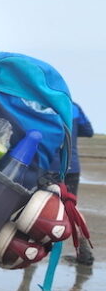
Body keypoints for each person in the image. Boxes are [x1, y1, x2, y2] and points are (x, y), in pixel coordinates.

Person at [64, 102, 95, 266]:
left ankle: (30, 252)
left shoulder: (40, 101)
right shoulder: (74, 107)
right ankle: (84, 253)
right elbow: (88, 131)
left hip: (48, 166)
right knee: (72, 209)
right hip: (71, 166)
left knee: (37, 205)